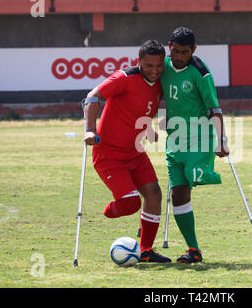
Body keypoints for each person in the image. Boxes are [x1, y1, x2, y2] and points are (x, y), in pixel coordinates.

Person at [83, 40, 171, 263]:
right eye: (149, 65)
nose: (154, 70)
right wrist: (90, 130)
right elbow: (93, 97)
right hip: (109, 155)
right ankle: (107, 211)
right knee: (131, 204)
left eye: (158, 66)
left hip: (135, 151)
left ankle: (147, 251)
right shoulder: (125, 78)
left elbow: (141, 108)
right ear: (138, 62)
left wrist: (149, 128)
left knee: (154, 195)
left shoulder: (161, 81)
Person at [160, 27, 230, 263]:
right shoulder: (164, 65)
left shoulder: (201, 72)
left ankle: (207, 173)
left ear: (194, 50)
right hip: (174, 140)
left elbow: (214, 109)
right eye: (175, 51)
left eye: (185, 52)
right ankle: (194, 250)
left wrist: (222, 140)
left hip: (199, 137)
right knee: (177, 193)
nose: (179, 56)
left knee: (194, 179)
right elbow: (158, 94)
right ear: (169, 46)